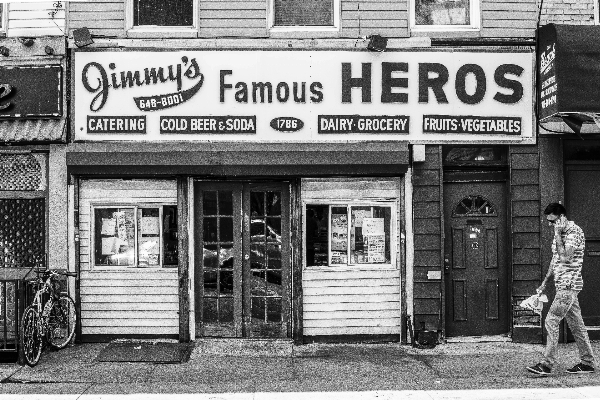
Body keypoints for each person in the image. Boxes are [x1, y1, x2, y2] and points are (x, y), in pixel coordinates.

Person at [527, 203, 596, 375]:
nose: (550, 225)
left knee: (551, 320)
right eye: (549, 222)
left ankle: (546, 365)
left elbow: (565, 258)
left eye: (553, 221)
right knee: (577, 325)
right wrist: (545, 282)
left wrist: (557, 234)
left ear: (562, 217)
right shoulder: (559, 233)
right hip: (562, 285)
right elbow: (555, 259)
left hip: (568, 285)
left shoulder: (574, 232)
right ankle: (587, 363)